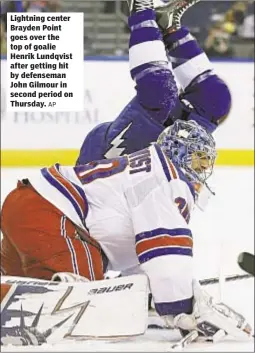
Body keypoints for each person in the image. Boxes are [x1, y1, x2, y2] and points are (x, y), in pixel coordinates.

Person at [0, 119, 251, 341]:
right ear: (179, 154)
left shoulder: (149, 168)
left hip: (28, 208)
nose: (201, 170)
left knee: (23, 290)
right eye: (198, 159)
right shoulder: (168, 181)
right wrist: (182, 307)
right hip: (50, 217)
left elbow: (145, 258)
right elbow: (166, 260)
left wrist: (153, 293)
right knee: (84, 308)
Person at [76, 0, 231, 165]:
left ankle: (141, 11)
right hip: (149, 171)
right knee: (216, 99)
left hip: (101, 161)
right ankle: (169, 27)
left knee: (160, 94)